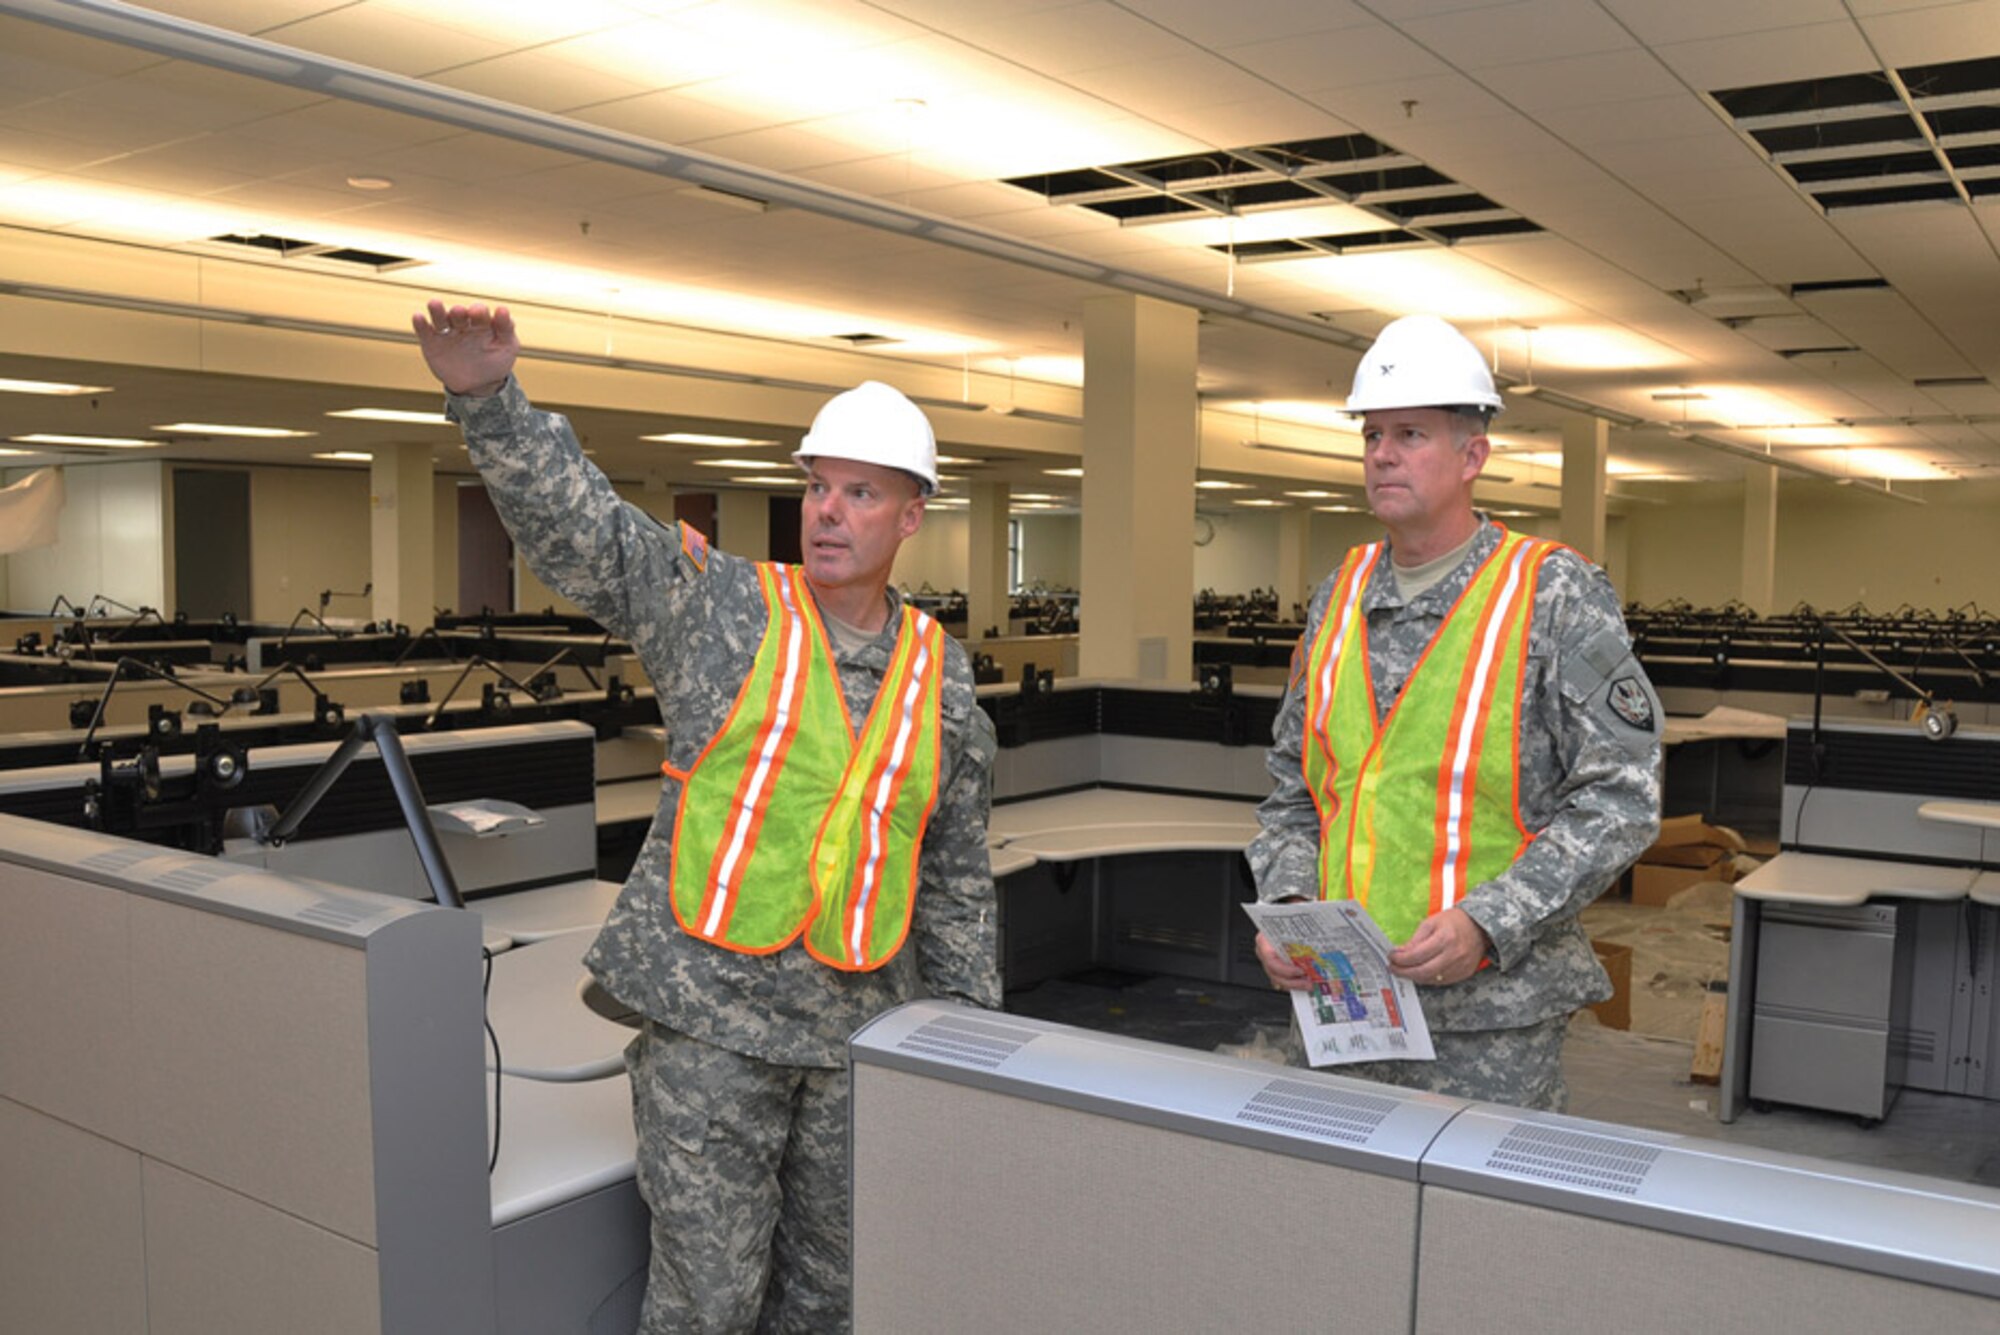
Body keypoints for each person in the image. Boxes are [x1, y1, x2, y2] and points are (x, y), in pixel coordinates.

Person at [412, 300, 1000, 1333]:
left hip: (859, 1029)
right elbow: (582, 534)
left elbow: (950, 872)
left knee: (835, 1296)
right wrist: (488, 401)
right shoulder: (723, 608)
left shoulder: (939, 675)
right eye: (816, 488)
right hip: (710, 1025)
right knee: (709, 1302)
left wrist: (965, 1045)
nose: (826, 511)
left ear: (911, 515)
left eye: (859, 493)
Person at [1247, 314, 1662, 1111]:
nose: (1382, 454)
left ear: (1474, 455)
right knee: (1340, 1213)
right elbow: (1298, 789)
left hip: (1487, 1020)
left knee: (1478, 1230)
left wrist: (1488, 920)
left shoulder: (1552, 593)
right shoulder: (1339, 593)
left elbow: (1621, 798)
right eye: (1371, 436)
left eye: (1411, 434)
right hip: (1345, 1000)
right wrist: (1293, 909)